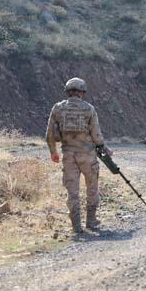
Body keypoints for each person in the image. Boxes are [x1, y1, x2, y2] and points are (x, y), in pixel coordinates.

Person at [45, 78, 112, 233]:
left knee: (72, 191)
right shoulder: (89, 109)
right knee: (92, 187)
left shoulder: (58, 108)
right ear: (82, 92)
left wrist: (53, 152)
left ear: (67, 92)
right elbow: (96, 135)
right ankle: (91, 221)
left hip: (68, 156)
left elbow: (49, 135)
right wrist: (106, 149)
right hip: (88, 156)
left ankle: (76, 225)